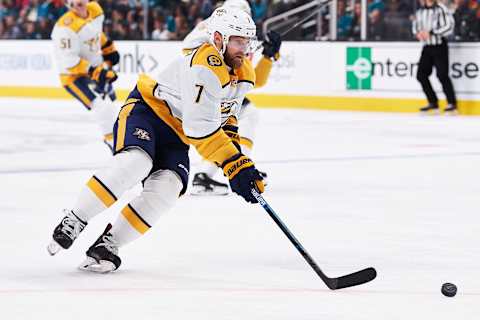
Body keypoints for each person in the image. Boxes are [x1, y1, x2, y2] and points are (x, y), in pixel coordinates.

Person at [47, 7, 265, 273]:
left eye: (247, 41)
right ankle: (76, 218)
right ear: (219, 39)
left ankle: (108, 244)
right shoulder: (205, 64)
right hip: (148, 112)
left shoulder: (244, 73)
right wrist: (233, 164)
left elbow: (226, 119)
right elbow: (200, 129)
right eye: (238, 41)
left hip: (177, 134)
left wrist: (239, 163)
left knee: (169, 187)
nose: (245, 48)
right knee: (136, 162)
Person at [184, 0, 282, 195]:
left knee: (246, 114)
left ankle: (236, 166)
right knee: (238, 118)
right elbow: (190, 53)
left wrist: (268, 57)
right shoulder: (211, 32)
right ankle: (223, 169)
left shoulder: (237, 37)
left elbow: (253, 81)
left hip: (219, 92)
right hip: (205, 93)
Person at [51, 0, 120, 151]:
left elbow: (95, 33)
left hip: (95, 68)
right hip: (73, 76)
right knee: (101, 105)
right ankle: (112, 142)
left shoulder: (95, 10)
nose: (77, 2)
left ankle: (120, 139)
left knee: (112, 105)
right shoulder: (65, 27)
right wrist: (96, 71)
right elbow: (69, 62)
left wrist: (108, 47)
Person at [412, 0, 457, 115]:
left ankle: (451, 104)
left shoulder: (441, 8)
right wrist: (418, 33)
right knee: (421, 75)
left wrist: (432, 33)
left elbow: (449, 26)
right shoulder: (420, 11)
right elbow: (415, 26)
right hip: (427, 46)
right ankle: (433, 102)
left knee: (442, 75)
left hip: (439, 45)